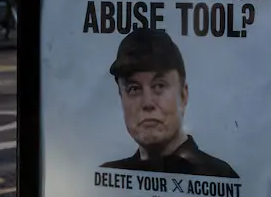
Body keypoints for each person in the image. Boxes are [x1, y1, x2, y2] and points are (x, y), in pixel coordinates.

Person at [100, 28, 239, 178]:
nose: (148, 103)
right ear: (121, 97)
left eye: (159, 86)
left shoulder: (220, 178)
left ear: (183, 95)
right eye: (134, 88)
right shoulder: (109, 179)